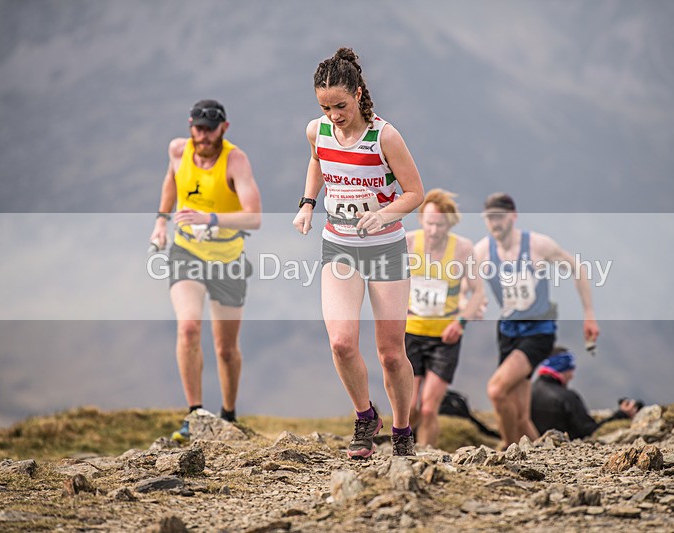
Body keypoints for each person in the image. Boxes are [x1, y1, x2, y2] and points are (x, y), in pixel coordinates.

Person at [292, 48, 424, 458]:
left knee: (391, 353)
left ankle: (402, 431)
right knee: (342, 343)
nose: (334, 115)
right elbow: (318, 161)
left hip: (385, 249)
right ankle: (365, 417)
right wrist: (308, 203)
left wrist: (383, 215)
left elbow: (415, 193)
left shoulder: (385, 137)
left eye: (341, 106)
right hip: (339, 245)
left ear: (359, 94)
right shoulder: (317, 131)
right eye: (325, 107)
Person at [149, 99, 262, 442]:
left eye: (211, 130)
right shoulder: (177, 150)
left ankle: (228, 413)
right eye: (198, 129)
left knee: (225, 348)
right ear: (190, 126)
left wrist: (210, 219)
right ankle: (194, 414)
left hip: (228, 259)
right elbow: (172, 180)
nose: (204, 136)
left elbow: (254, 217)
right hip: (187, 252)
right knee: (188, 328)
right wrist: (161, 221)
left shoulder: (235, 161)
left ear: (223, 128)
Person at [473, 192, 600, 449]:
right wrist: (476, 303)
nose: (495, 223)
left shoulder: (537, 246)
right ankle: (543, 456)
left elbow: (578, 269)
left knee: (497, 390)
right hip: (508, 331)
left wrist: (589, 314)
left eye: (499, 217)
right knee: (520, 414)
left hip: (538, 331)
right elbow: (468, 285)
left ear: (513, 216)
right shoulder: (482, 251)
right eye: (489, 218)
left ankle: (508, 451)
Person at [405, 189, 486, 448]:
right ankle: (404, 451)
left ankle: (426, 456)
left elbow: (478, 292)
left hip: (444, 337)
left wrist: (460, 323)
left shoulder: (462, 248)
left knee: (429, 408)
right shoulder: (407, 242)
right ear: (421, 219)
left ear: (449, 224)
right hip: (410, 333)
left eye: (440, 225)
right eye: (429, 223)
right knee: (409, 407)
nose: (433, 230)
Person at [530, 348, 640, 440]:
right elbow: (589, 430)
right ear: (563, 368)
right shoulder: (567, 397)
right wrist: (622, 414)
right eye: (571, 370)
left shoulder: (528, 392)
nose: (572, 376)